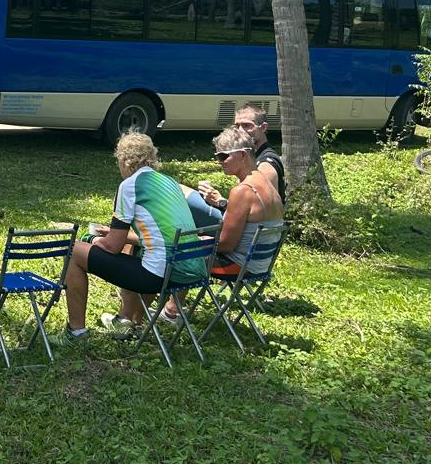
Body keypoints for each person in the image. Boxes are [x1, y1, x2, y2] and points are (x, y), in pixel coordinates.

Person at [60, 131, 205, 341]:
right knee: (136, 249)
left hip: (156, 277)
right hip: (184, 272)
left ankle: (76, 331)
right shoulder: (170, 183)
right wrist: (122, 237)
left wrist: (92, 240)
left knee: (73, 251)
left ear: (124, 161)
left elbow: (112, 247)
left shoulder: (130, 185)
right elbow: (160, 237)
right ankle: (130, 321)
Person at [209, 126, 285, 274]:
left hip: (239, 266)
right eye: (218, 157)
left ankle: (172, 299)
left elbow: (226, 245)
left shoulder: (243, 191)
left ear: (243, 155)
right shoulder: (266, 183)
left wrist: (201, 241)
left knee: (175, 257)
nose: (220, 162)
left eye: (223, 156)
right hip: (260, 265)